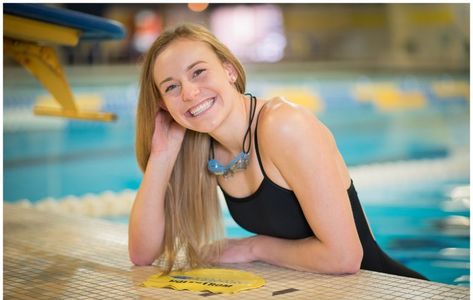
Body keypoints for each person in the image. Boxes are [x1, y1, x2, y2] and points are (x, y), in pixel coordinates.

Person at [129, 23, 427, 280]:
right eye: (171, 88)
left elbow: (345, 258)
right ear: (163, 105)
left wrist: (252, 247)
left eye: (198, 72)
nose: (189, 93)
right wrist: (162, 154)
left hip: (387, 293)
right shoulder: (201, 148)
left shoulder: (284, 125)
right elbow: (142, 254)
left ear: (229, 70)